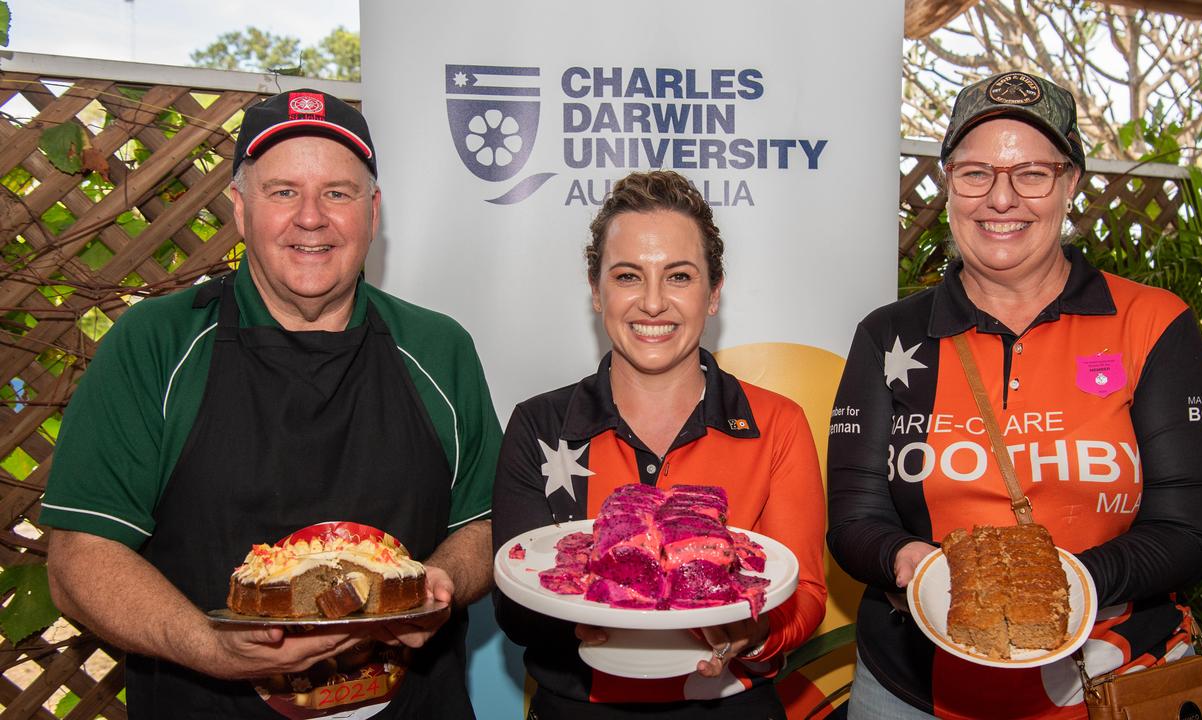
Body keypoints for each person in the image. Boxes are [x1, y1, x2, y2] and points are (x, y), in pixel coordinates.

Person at [41, 89, 503, 719]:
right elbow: (79, 559)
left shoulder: (437, 347)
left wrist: (443, 583)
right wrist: (210, 647)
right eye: (282, 191)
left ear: (373, 211)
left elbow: (482, 524)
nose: (311, 217)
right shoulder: (156, 344)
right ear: (239, 207)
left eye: (338, 193)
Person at [827, 71, 1202, 719]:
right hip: (912, 688)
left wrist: (1056, 582)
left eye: (1032, 173)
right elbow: (853, 517)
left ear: (1069, 183)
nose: (1001, 198)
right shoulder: (888, 336)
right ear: (948, 182)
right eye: (975, 173)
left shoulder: (1152, 322)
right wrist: (905, 557)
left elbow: (1188, 529)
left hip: (1108, 679)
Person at [491, 170, 827, 719]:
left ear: (713, 292)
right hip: (580, 706)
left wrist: (753, 628)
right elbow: (515, 603)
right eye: (627, 276)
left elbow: (806, 594)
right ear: (596, 292)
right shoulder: (538, 425)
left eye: (678, 276)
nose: (652, 303)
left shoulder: (778, 423)